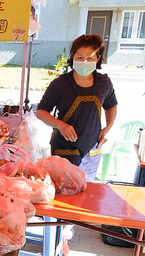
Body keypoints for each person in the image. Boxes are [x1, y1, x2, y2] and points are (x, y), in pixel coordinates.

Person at [36, 34, 118, 182]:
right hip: (64, 150)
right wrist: (60, 125)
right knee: (63, 189)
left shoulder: (104, 83)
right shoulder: (60, 84)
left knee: (86, 191)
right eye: (80, 58)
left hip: (92, 149)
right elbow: (41, 112)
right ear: (73, 57)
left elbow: (111, 105)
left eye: (90, 58)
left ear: (98, 59)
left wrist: (108, 128)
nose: (85, 62)